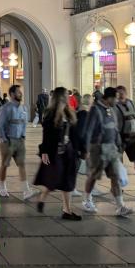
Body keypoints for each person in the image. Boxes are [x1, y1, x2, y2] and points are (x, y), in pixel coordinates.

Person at [82, 87, 132, 217]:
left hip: (111, 148)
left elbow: (114, 129)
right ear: (108, 98)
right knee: (93, 176)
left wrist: (119, 143)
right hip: (97, 149)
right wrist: (86, 149)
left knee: (115, 176)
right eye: (115, 97)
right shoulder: (95, 109)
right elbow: (88, 130)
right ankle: (87, 200)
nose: (117, 100)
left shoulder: (111, 109)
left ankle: (120, 206)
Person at [34, 87, 82, 221]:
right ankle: (42, 198)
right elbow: (46, 135)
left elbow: (74, 134)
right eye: (66, 95)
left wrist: (79, 150)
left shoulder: (69, 112)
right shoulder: (50, 113)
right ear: (60, 97)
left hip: (68, 151)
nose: (68, 97)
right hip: (55, 152)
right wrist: (44, 151)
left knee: (67, 181)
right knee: (53, 180)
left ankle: (67, 210)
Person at [0, 84, 31, 199]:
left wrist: (23, 136)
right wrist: (4, 140)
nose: (20, 93)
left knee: (22, 164)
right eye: (18, 92)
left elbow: (24, 124)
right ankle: (2, 187)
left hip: (20, 141)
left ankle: (26, 191)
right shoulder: (6, 108)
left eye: (20, 92)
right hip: (8, 141)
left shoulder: (23, 108)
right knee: (5, 165)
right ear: (11, 94)